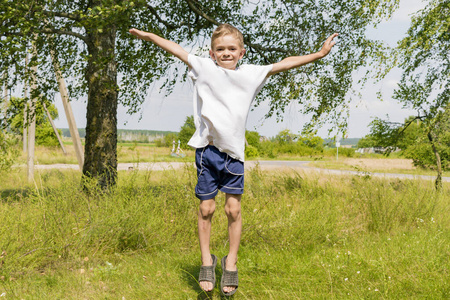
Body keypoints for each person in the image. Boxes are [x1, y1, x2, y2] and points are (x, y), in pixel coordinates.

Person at [129, 24, 338, 296]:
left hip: (234, 155)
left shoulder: (252, 74)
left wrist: (319, 54)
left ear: (241, 52)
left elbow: (285, 64)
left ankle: (231, 261)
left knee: (233, 211)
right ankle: (207, 260)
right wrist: (148, 36)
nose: (225, 53)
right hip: (207, 151)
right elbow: (175, 48)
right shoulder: (204, 68)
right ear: (212, 53)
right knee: (206, 209)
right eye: (220, 49)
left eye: (231, 49)